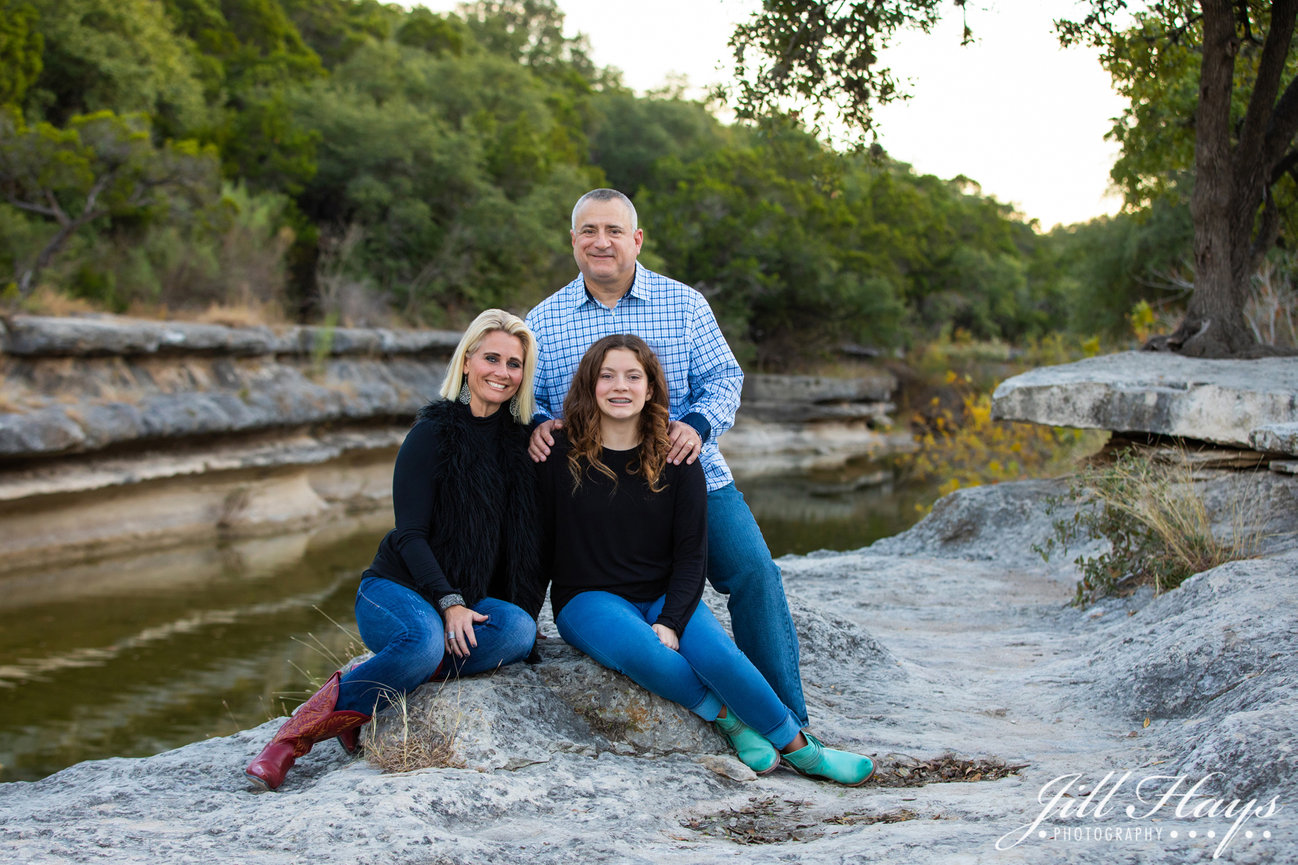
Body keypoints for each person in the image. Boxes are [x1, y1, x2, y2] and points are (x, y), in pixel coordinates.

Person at [525, 188, 809, 728]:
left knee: (754, 573)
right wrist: (537, 421)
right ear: (573, 241)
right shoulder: (543, 319)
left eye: (613, 231)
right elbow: (528, 396)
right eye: (589, 231)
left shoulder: (684, 304)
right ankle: (728, 713)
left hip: (688, 475)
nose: (600, 242)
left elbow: (725, 378)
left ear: (636, 240)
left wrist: (698, 424)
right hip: (600, 489)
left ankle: (786, 720)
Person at [536, 334, 873, 784]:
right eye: (607, 376)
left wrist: (673, 619)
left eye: (633, 376)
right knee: (651, 656)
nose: (621, 386)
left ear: (651, 388)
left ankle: (804, 750)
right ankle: (729, 720)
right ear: (588, 386)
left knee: (722, 657)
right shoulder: (558, 455)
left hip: (662, 593)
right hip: (588, 600)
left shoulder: (678, 456)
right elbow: (534, 544)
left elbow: (692, 554)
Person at [245, 309, 544, 791]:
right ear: (467, 361)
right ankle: (294, 737)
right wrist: (448, 602)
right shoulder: (432, 434)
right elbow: (408, 535)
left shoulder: (521, 443)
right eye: (492, 358)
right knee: (423, 643)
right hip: (398, 587)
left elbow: (522, 545)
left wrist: (487, 608)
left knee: (518, 631)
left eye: (514, 365)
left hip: (466, 600)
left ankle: (370, 692)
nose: (502, 373)